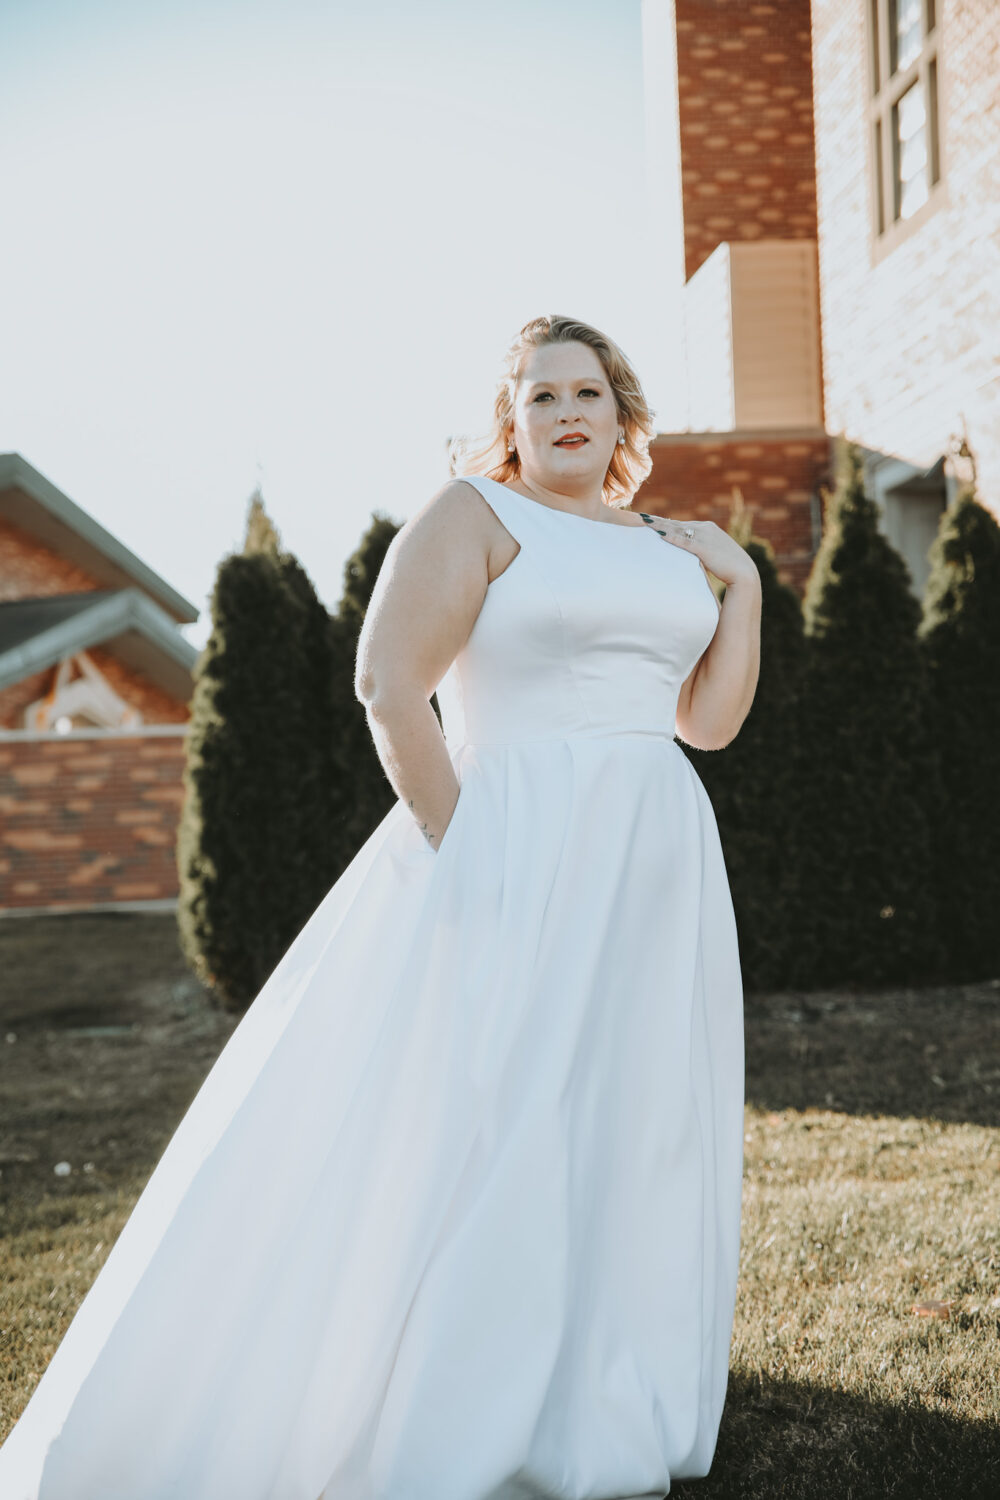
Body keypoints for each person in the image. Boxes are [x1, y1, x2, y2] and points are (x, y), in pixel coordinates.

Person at [0, 313, 761, 1499]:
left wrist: (744, 584)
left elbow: (703, 725)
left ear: (622, 416)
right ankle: (455, 1395)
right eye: (541, 394)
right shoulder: (472, 514)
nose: (567, 411)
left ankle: (603, 1386)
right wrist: (474, 854)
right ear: (509, 420)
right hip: (509, 844)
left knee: (633, 1118)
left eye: (590, 393)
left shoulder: (670, 545)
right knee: (491, 1114)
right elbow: (386, 684)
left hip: (656, 857)